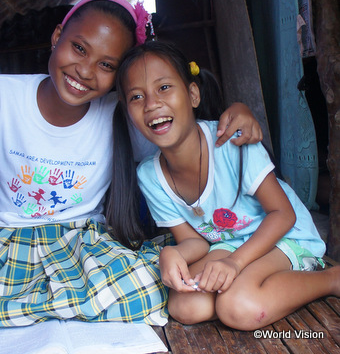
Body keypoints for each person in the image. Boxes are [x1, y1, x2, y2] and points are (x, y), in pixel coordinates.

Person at [0, 0, 262, 336]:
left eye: (106, 65)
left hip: (81, 243)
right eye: (79, 48)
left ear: (119, 77)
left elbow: (180, 132)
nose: (84, 70)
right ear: (58, 36)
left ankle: (20, 311)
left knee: (147, 288)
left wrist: (235, 110)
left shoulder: (125, 112)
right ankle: (52, 309)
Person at [113, 40, 340, 330]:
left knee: (237, 307)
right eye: (136, 97)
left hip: (286, 235)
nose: (152, 104)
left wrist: (235, 264)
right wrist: (172, 253)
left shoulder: (232, 143)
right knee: (185, 305)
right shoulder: (149, 175)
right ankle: (259, 285)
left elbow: (284, 215)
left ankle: (329, 279)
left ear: (193, 94)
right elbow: (194, 241)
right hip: (230, 243)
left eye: (164, 87)